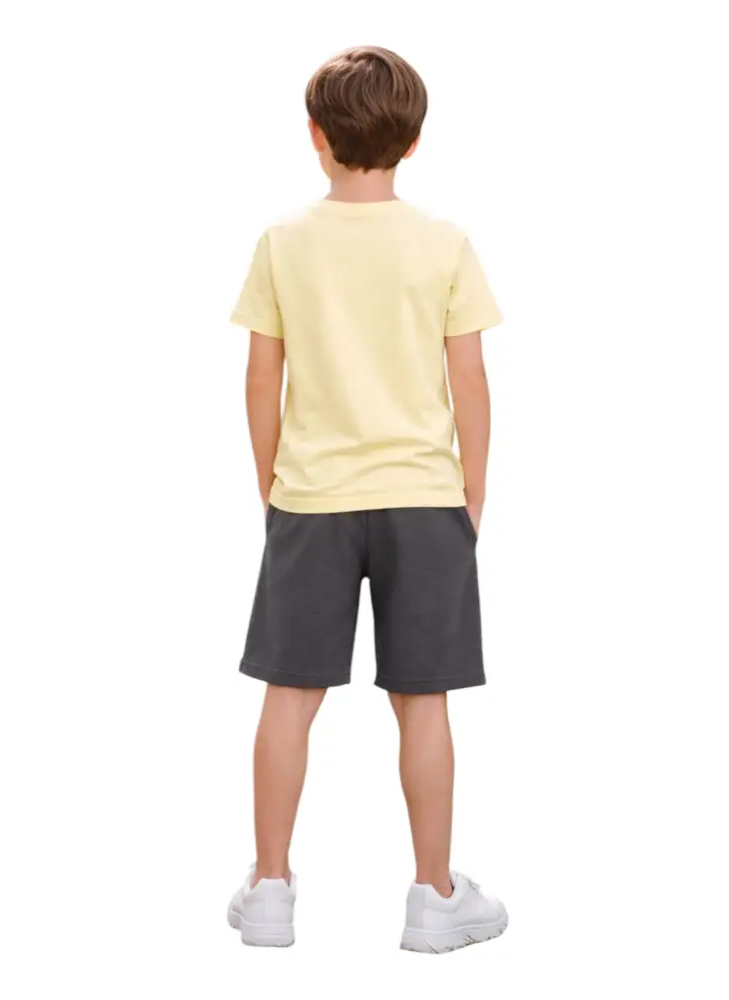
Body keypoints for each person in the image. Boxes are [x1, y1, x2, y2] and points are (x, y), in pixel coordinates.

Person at [226, 46, 507, 954]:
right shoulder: (444, 243)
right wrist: (470, 497)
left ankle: (270, 889)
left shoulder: (283, 242)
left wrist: (274, 489)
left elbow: (261, 378)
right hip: (424, 501)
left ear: (314, 134)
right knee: (423, 702)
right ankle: (434, 897)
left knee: (289, 694)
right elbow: (470, 381)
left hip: (311, 500)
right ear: (414, 141)